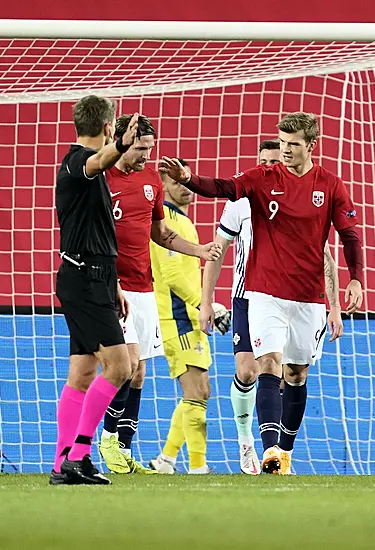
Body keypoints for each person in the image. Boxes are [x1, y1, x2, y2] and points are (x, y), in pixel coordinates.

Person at [159, 112, 362, 475]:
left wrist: (355, 279)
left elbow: (348, 237)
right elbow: (219, 187)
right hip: (262, 293)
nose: (285, 151)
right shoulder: (261, 179)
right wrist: (189, 178)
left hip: (308, 297)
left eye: (292, 145)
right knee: (265, 363)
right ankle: (266, 451)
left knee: (296, 373)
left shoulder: (330, 184)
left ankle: (284, 451)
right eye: (281, 143)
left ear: (311, 146)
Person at [199, 139, 344, 475]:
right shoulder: (240, 201)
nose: (268, 167)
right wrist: (206, 301)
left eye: (274, 162)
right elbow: (217, 252)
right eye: (263, 162)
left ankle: (280, 454)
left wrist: (333, 306)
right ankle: (248, 441)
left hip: (294, 297)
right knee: (251, 370)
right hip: (248, 297)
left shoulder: (298, 198)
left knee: (291, 373)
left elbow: (325, 257)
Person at [97, 115, 220, 475]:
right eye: (139, 148)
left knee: (137, 375)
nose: (145, 156)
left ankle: (123, 450)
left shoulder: (151, 180)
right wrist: (109, 280)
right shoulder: (102, 179)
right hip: (111, 286)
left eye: (149, 149)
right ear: (121, 141)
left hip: (143, 289)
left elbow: (161, 233)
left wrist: (199, 251)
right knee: (124, 365)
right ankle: (104, 439)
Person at [50, 96, 142, 485]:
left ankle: (61, 464)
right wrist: (120, 146)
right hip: (84, 277)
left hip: (96, 277)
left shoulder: (92, 172)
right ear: (109, 127)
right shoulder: (75, 162)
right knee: (121, 367)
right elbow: (96, 162)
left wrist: (115, 283)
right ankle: (81, 454)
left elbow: (97, 232)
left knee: (83, 372)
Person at [146, 159, 215, 474]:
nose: (184, 188)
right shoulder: (166, 223)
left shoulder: (182, 221)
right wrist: (205, 303)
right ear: (162, 187)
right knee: (196, 392)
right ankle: (198, 467)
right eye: (174, 182)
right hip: (178, 317)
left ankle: (167, 459)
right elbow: (173, 276)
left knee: (199, 392)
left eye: (184, 181)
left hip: (189, 316)